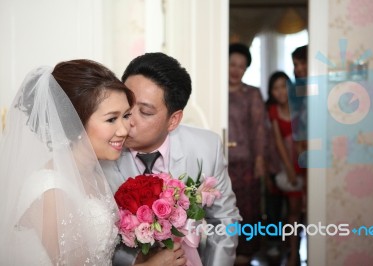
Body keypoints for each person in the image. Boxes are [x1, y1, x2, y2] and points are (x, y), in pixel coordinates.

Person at [101, 52, 241, 266]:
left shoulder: (206, 148)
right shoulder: (102, 154)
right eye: (127, 105)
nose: (128, 121)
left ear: (173, 120)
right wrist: (139, 261)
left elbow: (224, 220)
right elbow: (98, 240)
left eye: (145, 112)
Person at [0, 59, 134, 265]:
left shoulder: (97, 171)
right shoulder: (50, 190)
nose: (124, 130)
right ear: (75, 122)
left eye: (126, 115)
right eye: (111, 119)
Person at [227, 43, 266, 264]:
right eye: (232, 64)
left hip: (246, 162)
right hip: (220, 161)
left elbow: (259, 128)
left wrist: (260, 159)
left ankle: (245, 253)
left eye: (241, 66)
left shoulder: (252, 94)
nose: (236, 70)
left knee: (247, 209)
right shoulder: (215, 94)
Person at [266, 71, 305, 266]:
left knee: (305, 210)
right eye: (276, 88)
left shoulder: (301, 106)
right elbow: (279, 142)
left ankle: (295, 248)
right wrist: (289, 168)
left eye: (284, 86)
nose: (281, 92)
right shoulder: (273, 111)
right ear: (271, 92)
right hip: (288, 165)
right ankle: (293, 254)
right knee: (293, 212)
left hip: (306, 162)